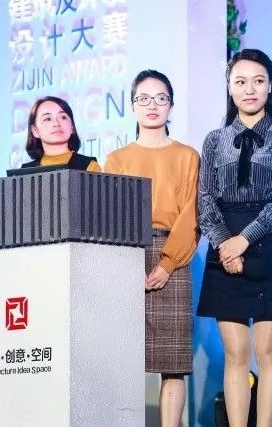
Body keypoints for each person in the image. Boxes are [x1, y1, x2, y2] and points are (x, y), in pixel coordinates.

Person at [197, 48, 272, 427]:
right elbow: (205, 200)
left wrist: (244, 240)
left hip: (268, 244)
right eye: (240, 82)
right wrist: (225, 244)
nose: (250, 89)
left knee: (268, 351)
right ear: (229, 88)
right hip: (223, 246)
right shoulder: (214, 140)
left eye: (258, 81)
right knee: (235, 353)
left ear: (270, 86)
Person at [103, 70, 200, 427]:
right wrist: (124, 262)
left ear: (171, 105)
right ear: (132, 107)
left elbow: (192, 214)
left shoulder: (188, 156)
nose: (152, 105)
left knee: (173, 363)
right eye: (143, 98)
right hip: (126, 252)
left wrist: (168, 263)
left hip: (173, 252)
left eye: (161, 98)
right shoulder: (116, 159)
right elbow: (109, 215)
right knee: (123, 356)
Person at [23, 96, 100, 171]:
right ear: (35, 130)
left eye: (63, 117)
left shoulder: (89, 166)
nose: (56, 123)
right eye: (47, 119)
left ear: (72, 127)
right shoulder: (24, 171)